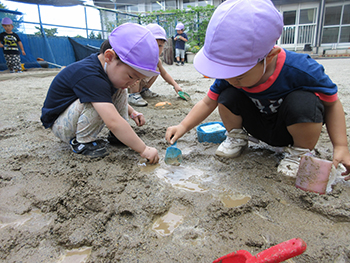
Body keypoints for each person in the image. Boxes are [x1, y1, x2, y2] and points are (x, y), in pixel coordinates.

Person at [165, 0, 350, 180]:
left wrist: (341, 146)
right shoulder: (230, 77)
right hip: (257, 127)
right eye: (225, 73)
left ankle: (299, 153)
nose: (230, 79)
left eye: (238, 75)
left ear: (269, 57)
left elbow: (332, 103)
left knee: (305, 102)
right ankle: (237, 138)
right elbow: (208, 101)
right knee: (227, 94)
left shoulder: (302, 69)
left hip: (290, 130)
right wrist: (182, 126)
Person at [41, 23, 160, 163]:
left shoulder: (106, 70)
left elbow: (111, 98)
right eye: (131, 76)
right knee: (97, 100)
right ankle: (82, 143)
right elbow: (113, 122)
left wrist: (132, 112)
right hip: (60, 124)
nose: (134, 83)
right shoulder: (90, 76)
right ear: (109, 57)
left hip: (72, 116)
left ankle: (117, 137)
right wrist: (144, 149)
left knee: (120, 88)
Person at [128, 23, 184, 107]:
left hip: (142, 82)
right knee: (136, 70)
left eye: (160, 46)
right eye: (152, 44)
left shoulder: (156, 61)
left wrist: (175, 85)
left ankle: (144, 90)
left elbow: (164, 74)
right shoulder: (138, 58)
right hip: (130, 84)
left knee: (158, 69)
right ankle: (133, 95)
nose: (156, 48)